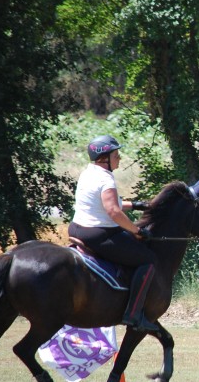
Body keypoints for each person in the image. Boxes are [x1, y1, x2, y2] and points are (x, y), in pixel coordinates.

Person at [68, 135, 159, 332]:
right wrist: (137, 230)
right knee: (148, 259)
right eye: (116, 155)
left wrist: (135, 205)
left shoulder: (88, 173)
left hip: (77, 228)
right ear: (104, 158)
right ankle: (133, 314)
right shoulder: (105, 178)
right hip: (99, 234)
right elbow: (113, 211)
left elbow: (105, 203)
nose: (119, 158)